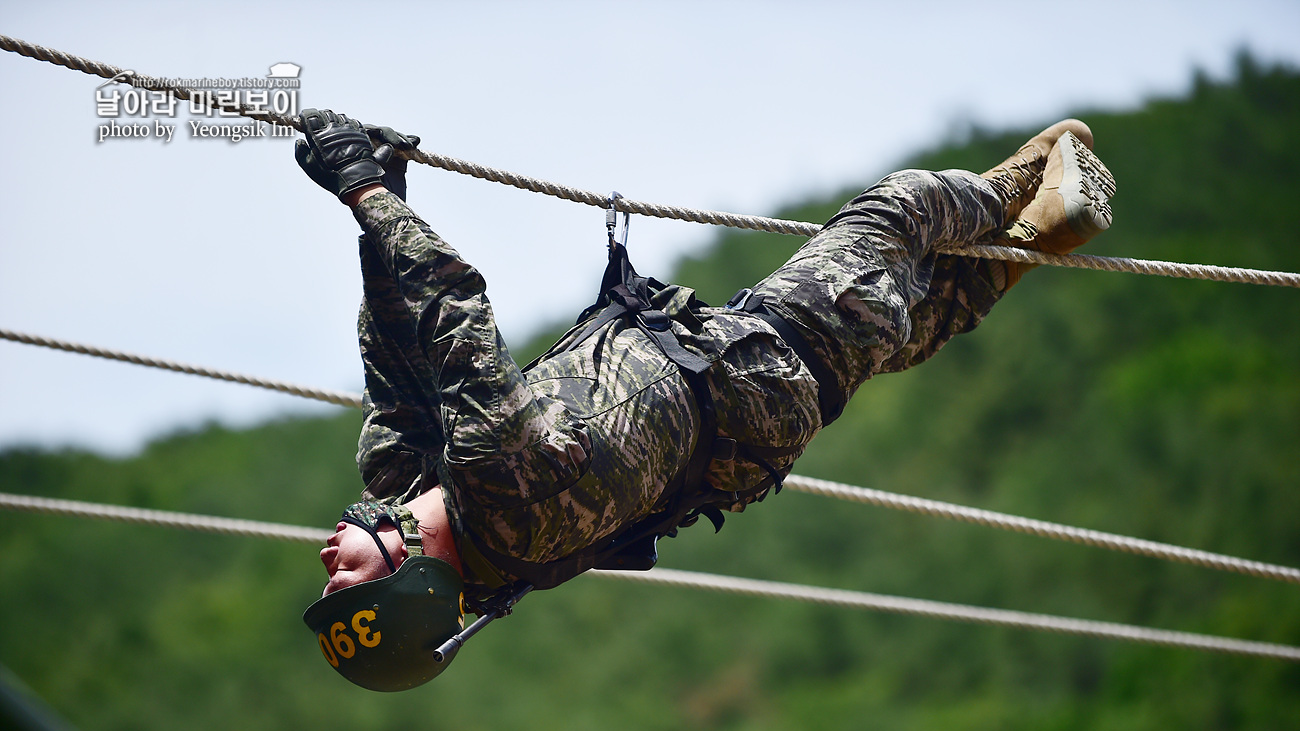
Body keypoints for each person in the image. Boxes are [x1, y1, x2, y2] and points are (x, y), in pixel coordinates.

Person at [296, 109, 1115, 690]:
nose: (330, 561)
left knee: (906, 318)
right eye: (346, 583)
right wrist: (366, 193)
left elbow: (400, 360)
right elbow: (453, 303)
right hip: (762, 370)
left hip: (744, 390)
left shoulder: (411, 488)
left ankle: (1028, 243)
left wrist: (383, 216)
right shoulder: (497, 491)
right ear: (411, 581)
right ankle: (1023, 182)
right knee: (895, 216)